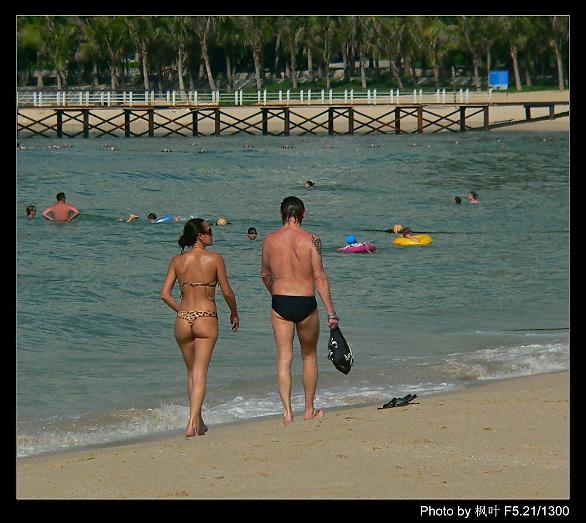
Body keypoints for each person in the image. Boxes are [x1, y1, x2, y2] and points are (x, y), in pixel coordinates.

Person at [261, 196, 339, 425]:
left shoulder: (269, 240)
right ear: (303, 215)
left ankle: (286, 413)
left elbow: (265, 274)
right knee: (309, 355)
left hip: (280, 302)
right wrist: (331, 312)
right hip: (305, 301)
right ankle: (309, 410)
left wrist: (275, 294)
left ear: (281, 214)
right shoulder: (312, 240)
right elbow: (319, 276)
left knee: (284, 357)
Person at [160, 218, 239, 437]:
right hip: (206, 316)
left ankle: (199, 422)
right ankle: (192, 422)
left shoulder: (177, 260)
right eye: (209, 231)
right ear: (200, 236)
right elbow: (227, 292)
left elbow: (164, 294)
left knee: (191, 373)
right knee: (201, 372)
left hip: (183, 319)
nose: (212, 234)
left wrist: (183, 310)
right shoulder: (215, 259)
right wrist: (234, 312)